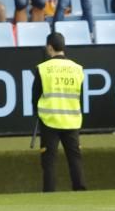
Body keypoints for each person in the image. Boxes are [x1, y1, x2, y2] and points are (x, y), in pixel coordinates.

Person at [33, 32, 87, 193]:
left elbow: (35, 97)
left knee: (49, 162)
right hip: (72, 120)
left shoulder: (43, 69)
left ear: (49, 47)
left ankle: (49, 193)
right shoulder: (77, 69)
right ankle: (80, 190)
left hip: (49, 120)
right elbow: (80, 96)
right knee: (75, 158)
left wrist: (38, 114)